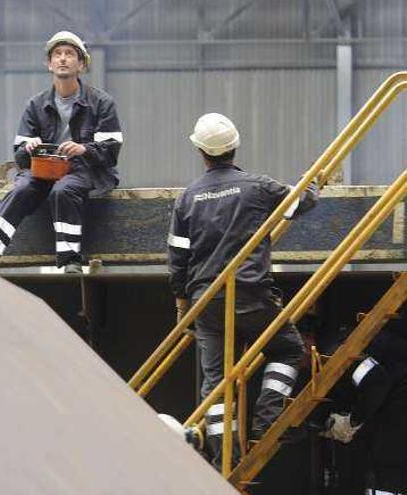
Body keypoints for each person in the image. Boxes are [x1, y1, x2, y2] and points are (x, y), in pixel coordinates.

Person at [167, 112, 319, 468]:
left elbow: (177, 257)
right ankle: (267, 424)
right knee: (288, 349)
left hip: (205, 300)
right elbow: (301, 203)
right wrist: (312, 181)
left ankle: (226, 459)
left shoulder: (187, 198)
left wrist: (181, 304)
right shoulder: (257, 186)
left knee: (217, 383)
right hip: (251, 293)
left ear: (201, 152)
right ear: (234, 147)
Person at [0, 31, 123, 274]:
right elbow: (19, 155)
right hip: (44, 169)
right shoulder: (36, 104)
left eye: (70, 54)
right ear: (49, 64)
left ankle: (69, 260)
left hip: (86, 170)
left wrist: (83, 149)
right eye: (57, 54)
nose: (63, 59)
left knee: (63, 191)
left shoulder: (101, 103)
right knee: (20, 189)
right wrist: (28, 148)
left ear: (81, 64)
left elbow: (111, 151)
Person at [321, 321, 407, 495]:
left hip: (399, 401)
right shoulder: (359, 339)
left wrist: (352, 422)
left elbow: (376, 381)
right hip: (396, 396)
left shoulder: (337, 354)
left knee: (386, 463)